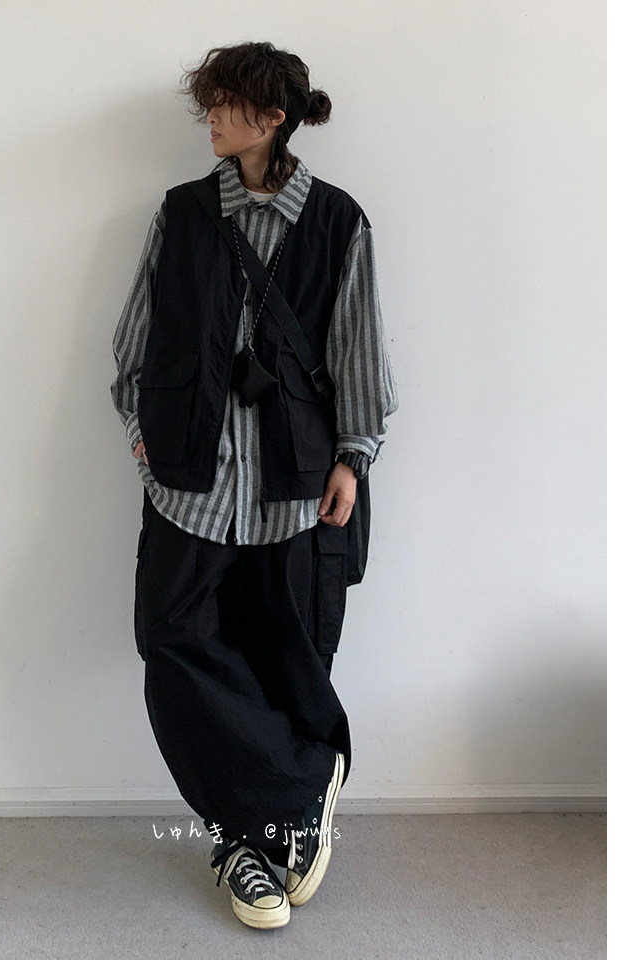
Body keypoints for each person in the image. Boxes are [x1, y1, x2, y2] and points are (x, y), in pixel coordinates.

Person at [110, 41, 398, 929]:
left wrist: (353, 457)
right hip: (189, 481)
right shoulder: (183, 214)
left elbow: (359, 348)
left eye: (224, 104)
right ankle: (302, 785)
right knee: (170, 641)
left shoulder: (339, 222)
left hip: (292, 489)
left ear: (271, 119)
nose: (209, 117)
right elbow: (136, 341)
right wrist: (142, 434)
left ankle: (251, 849)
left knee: (281, 661)